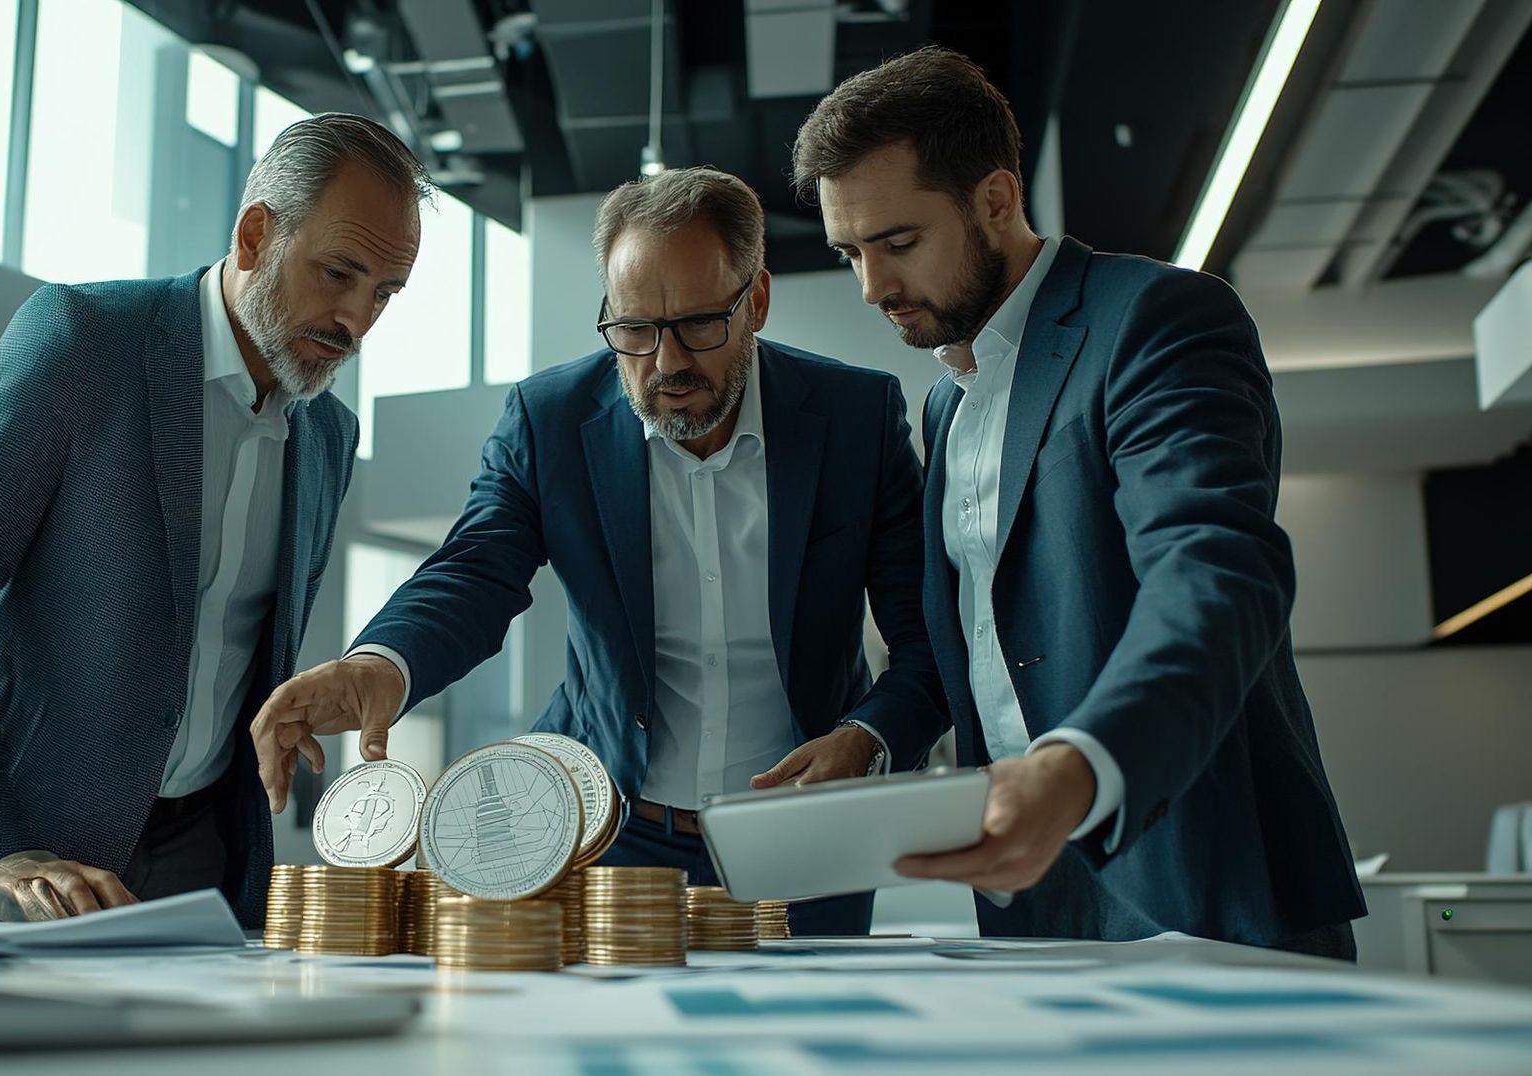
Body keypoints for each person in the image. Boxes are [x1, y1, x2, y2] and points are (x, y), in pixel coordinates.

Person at [251, 167, 946, 936]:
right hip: (609, 831)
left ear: (756, 301)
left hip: (809, 836)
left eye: (698, 325)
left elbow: (926, 640)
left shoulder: (854, 418)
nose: (666, 364)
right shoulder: (549, 421)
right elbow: (476, 568)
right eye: (635, 330)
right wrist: (379, 664)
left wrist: (870, 741)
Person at [793, 47, 1365, 956]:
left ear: (995, 199)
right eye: (849, 253)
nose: (873, 288)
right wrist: (867, 736)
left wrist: (1077, 769)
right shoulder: (947, 400)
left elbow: (1212, 574)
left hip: (1200, 869)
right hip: (1034, 900)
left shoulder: (1156, 319)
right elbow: (989, 636)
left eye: (898, 243)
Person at [0, 114, 428, 925]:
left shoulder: (328, 433)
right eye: (338, 274)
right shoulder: (83, 340)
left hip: (204, 860)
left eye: (384, 294)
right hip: (23, 854)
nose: (356, 321)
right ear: (256, 235)